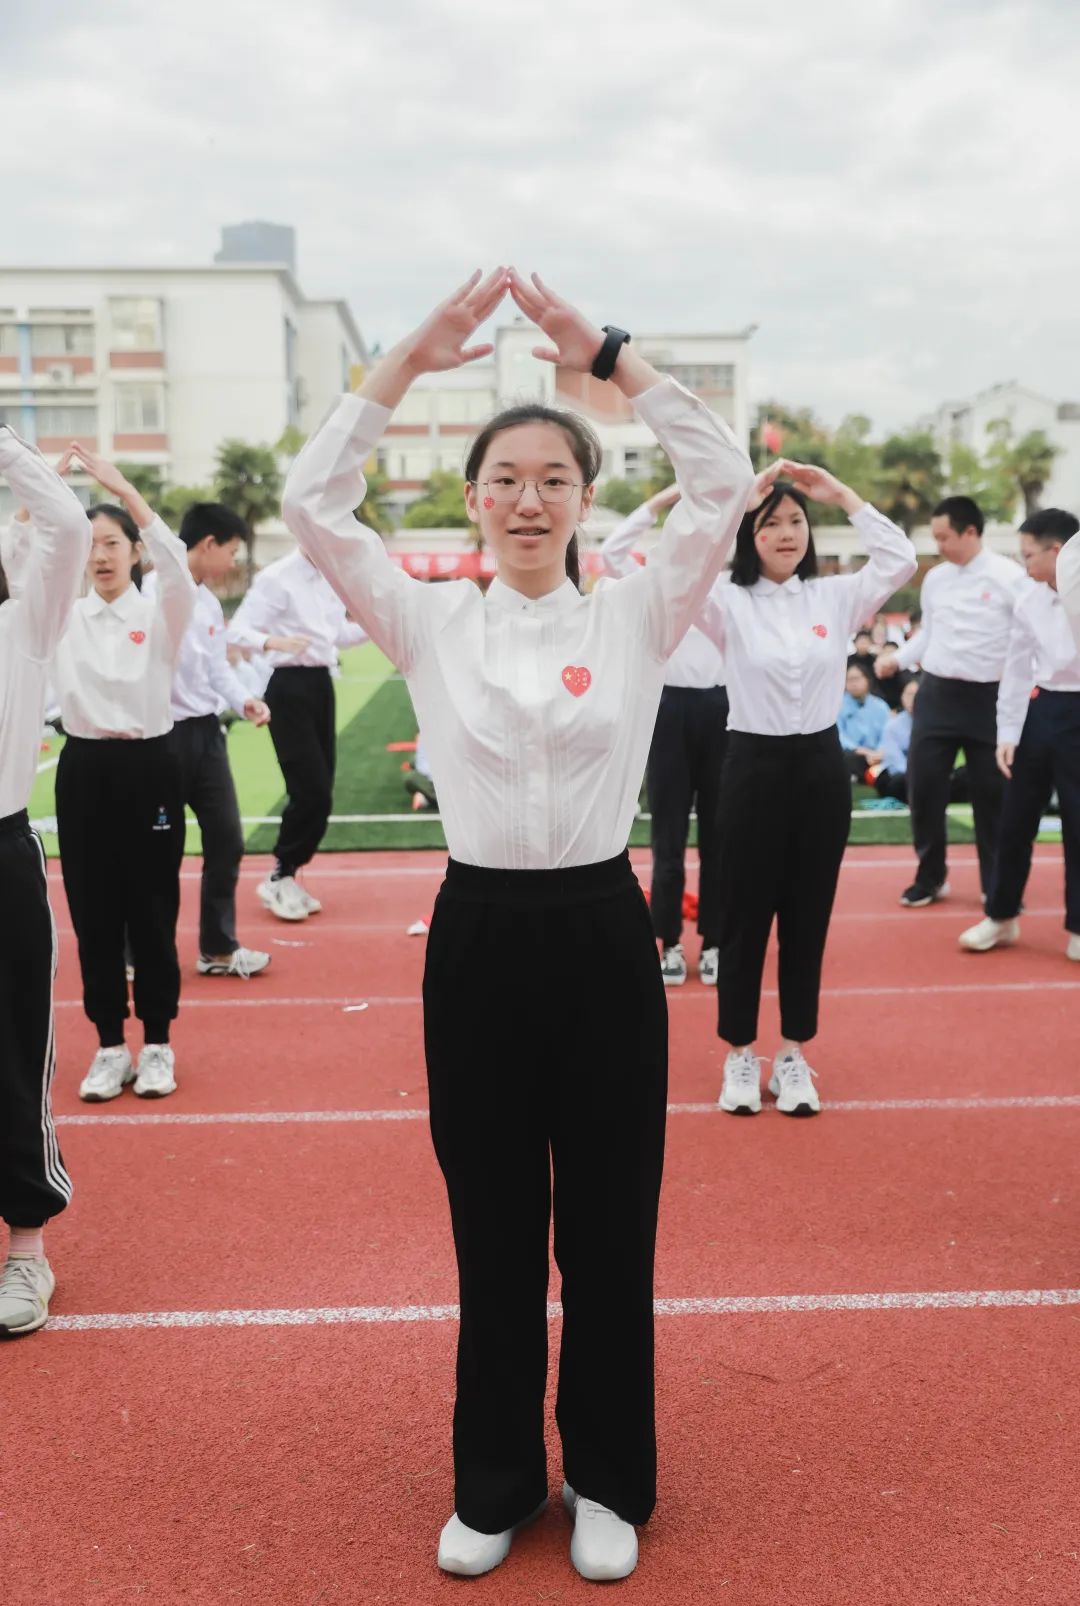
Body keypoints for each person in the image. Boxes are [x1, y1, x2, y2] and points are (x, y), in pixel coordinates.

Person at [281, 267, 753, 1583]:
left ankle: (607, 1477)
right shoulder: (428, 617)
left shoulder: (641, 607)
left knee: (610, 1225)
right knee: (491, 1224)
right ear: (474, 499)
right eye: (507, 479)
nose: (529, 498)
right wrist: (406, 368)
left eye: (555, 477)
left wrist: (607, 353)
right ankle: (495, 1479)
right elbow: (312, 503)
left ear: (585, 498)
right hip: (480, 935)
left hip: (604, 928)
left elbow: (722, 479)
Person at [695, 461, 916, 1116]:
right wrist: (739, 499)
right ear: (749, 535)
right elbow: (679, 570)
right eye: (770, 524)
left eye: (796, 521)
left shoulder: (835, 597)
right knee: (742, 918)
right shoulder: (725, 601)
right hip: (751, 768)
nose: (786, 532)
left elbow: (899, 558)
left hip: (821, 770)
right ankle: (740, 1052)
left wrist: (842, 494)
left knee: (806, 918)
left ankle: (792, 1054)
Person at [51, 446, 196, 1101]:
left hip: (150, 771)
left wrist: (123, 488)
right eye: (91, 545)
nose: (101, 555)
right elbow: (20, 560)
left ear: (133, 552)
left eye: (113, 542)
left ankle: (158, 1043)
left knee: (151, 910)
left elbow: (178, 564)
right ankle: (110, 1045)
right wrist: (42, 487)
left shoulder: (158, 614)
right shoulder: (59, 617)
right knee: (94, 914)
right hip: (84, 771)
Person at [0, 431, 90, 1336]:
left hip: (0, 855)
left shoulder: (21, 622)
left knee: (12, 1052)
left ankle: (26, 1251)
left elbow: (60, 521)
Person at [599, 484, 728, 986]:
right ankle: (669, 942)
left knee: (720, 837)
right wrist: (658, 501)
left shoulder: (726, 582)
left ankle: (715, 941)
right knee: (668, 837)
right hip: (668, 710)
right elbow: (611, 552)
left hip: (721, 709)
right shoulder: (653, 584)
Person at [143, 503, 272, 978]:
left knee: (227, 839)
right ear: (208, 545)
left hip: (206, 736)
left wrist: (246, 702)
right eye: (232, 552)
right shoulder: (154, 593)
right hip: (161, 737)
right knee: (159, 850)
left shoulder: (212, 604)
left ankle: (217, 947)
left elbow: (219, 670)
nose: (233, 563)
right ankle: (143, 950)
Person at [876, 495, 1025, 907]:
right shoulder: (937, 579)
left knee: (991, 795)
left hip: (988, 699)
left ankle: (996, 883)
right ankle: (931, 876)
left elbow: (1026, 637)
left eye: (944, 537)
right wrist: (898, 659)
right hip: (938, 694)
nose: (939, 545)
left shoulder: (1009, 577)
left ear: (971, 532)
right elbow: (929, 633)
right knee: (922, 788)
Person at [959, 509, 1080, 960]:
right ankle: (1001, 915)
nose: (1023, 563)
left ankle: (1079, 927)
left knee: (1078, 825)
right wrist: (1007, 731)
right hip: (1043, 707)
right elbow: (1016, 667)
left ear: (1059, 552)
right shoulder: (1027, 597)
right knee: (1013, 822)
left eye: (1029, 554)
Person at [228, 547, 368, 921]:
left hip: (321, 684)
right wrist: (272, 642)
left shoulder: (332, 576)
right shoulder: (277, 577)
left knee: (322, 791)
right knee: (310, 789)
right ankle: (279, 874)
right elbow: (238, 629)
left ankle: (288, 874)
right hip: (287, 686)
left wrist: (377, 624)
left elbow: (335, 634)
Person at [838, 662, 890, 782]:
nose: (853, 683)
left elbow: (888, 733)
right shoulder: (839, 706)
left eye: (856, 679)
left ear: (867, 680)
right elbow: (840, 734)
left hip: (878, 754)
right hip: (855, 753)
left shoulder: (880, 706)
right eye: (848, 680)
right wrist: (862, 751)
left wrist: (879, 752)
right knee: (847, 758)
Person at [872, 676, 920, 800]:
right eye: (909, 694)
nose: (912, 699)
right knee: (901, 782)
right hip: (897, 775)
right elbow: (896, 762)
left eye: (917, 694)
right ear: (902, 697)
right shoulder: (893, 725)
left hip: (926, 775)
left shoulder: (934, 724)